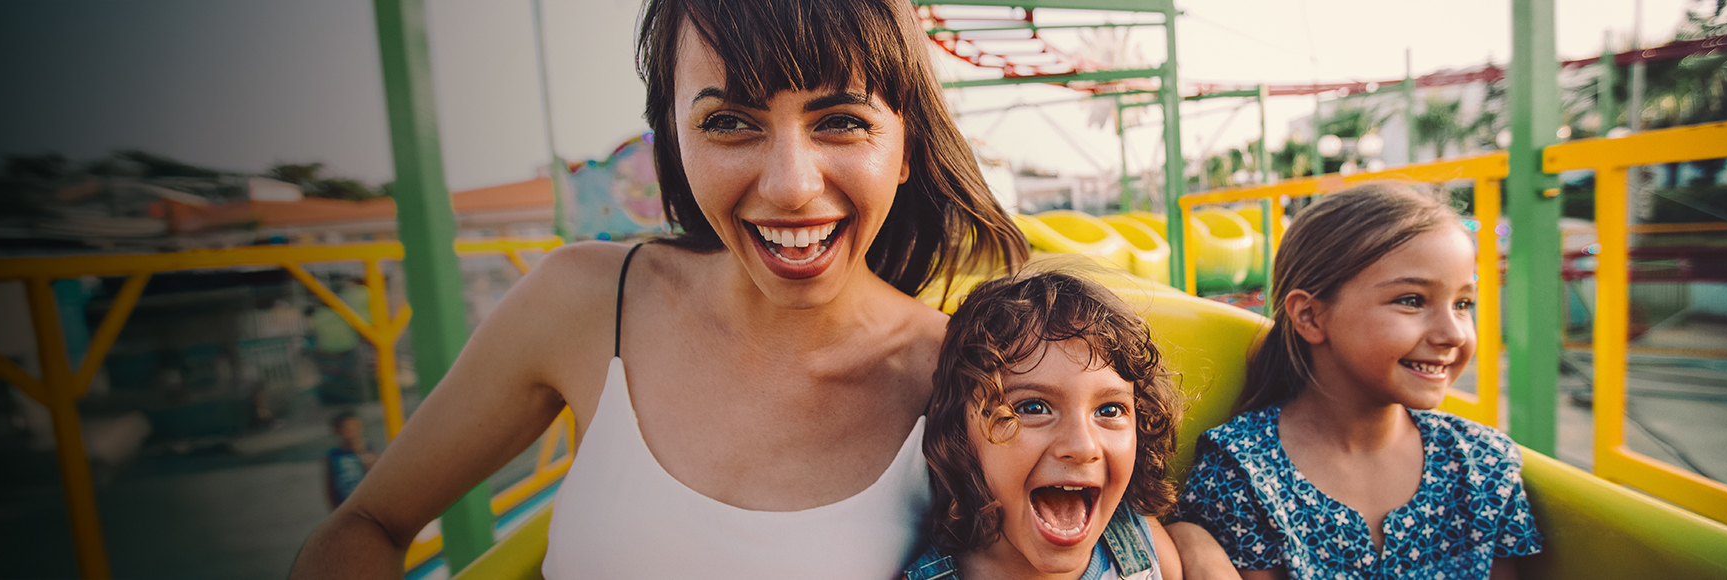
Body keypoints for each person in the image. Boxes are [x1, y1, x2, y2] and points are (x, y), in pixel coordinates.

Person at [289, 0, 1028, 577]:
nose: (791, 186)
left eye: (840, 121)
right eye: (730, 123)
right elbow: (365, 526)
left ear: (906, 148)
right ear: (673, 139)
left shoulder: (967, 380)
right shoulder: (582, 303)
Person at [1167, 183, 1542, 580]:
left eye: (1463, 304)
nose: (1452, 333)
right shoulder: (1241, 471)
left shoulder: (1483, 464)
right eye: (1412, 300)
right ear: (1310, 316)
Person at [904, 271, 1183, 580]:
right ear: (960, 431)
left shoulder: (1144, 547)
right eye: (1033, 408)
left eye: (1109, 409)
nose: (1082, 447)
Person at [325, 412, 378, 510]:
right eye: (347, 429)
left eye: (355, 427)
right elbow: (330, 485)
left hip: (369, 504)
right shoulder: (334, 455)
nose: (352, 432)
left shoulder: (370, 450)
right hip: (345, 505)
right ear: (337, 431)